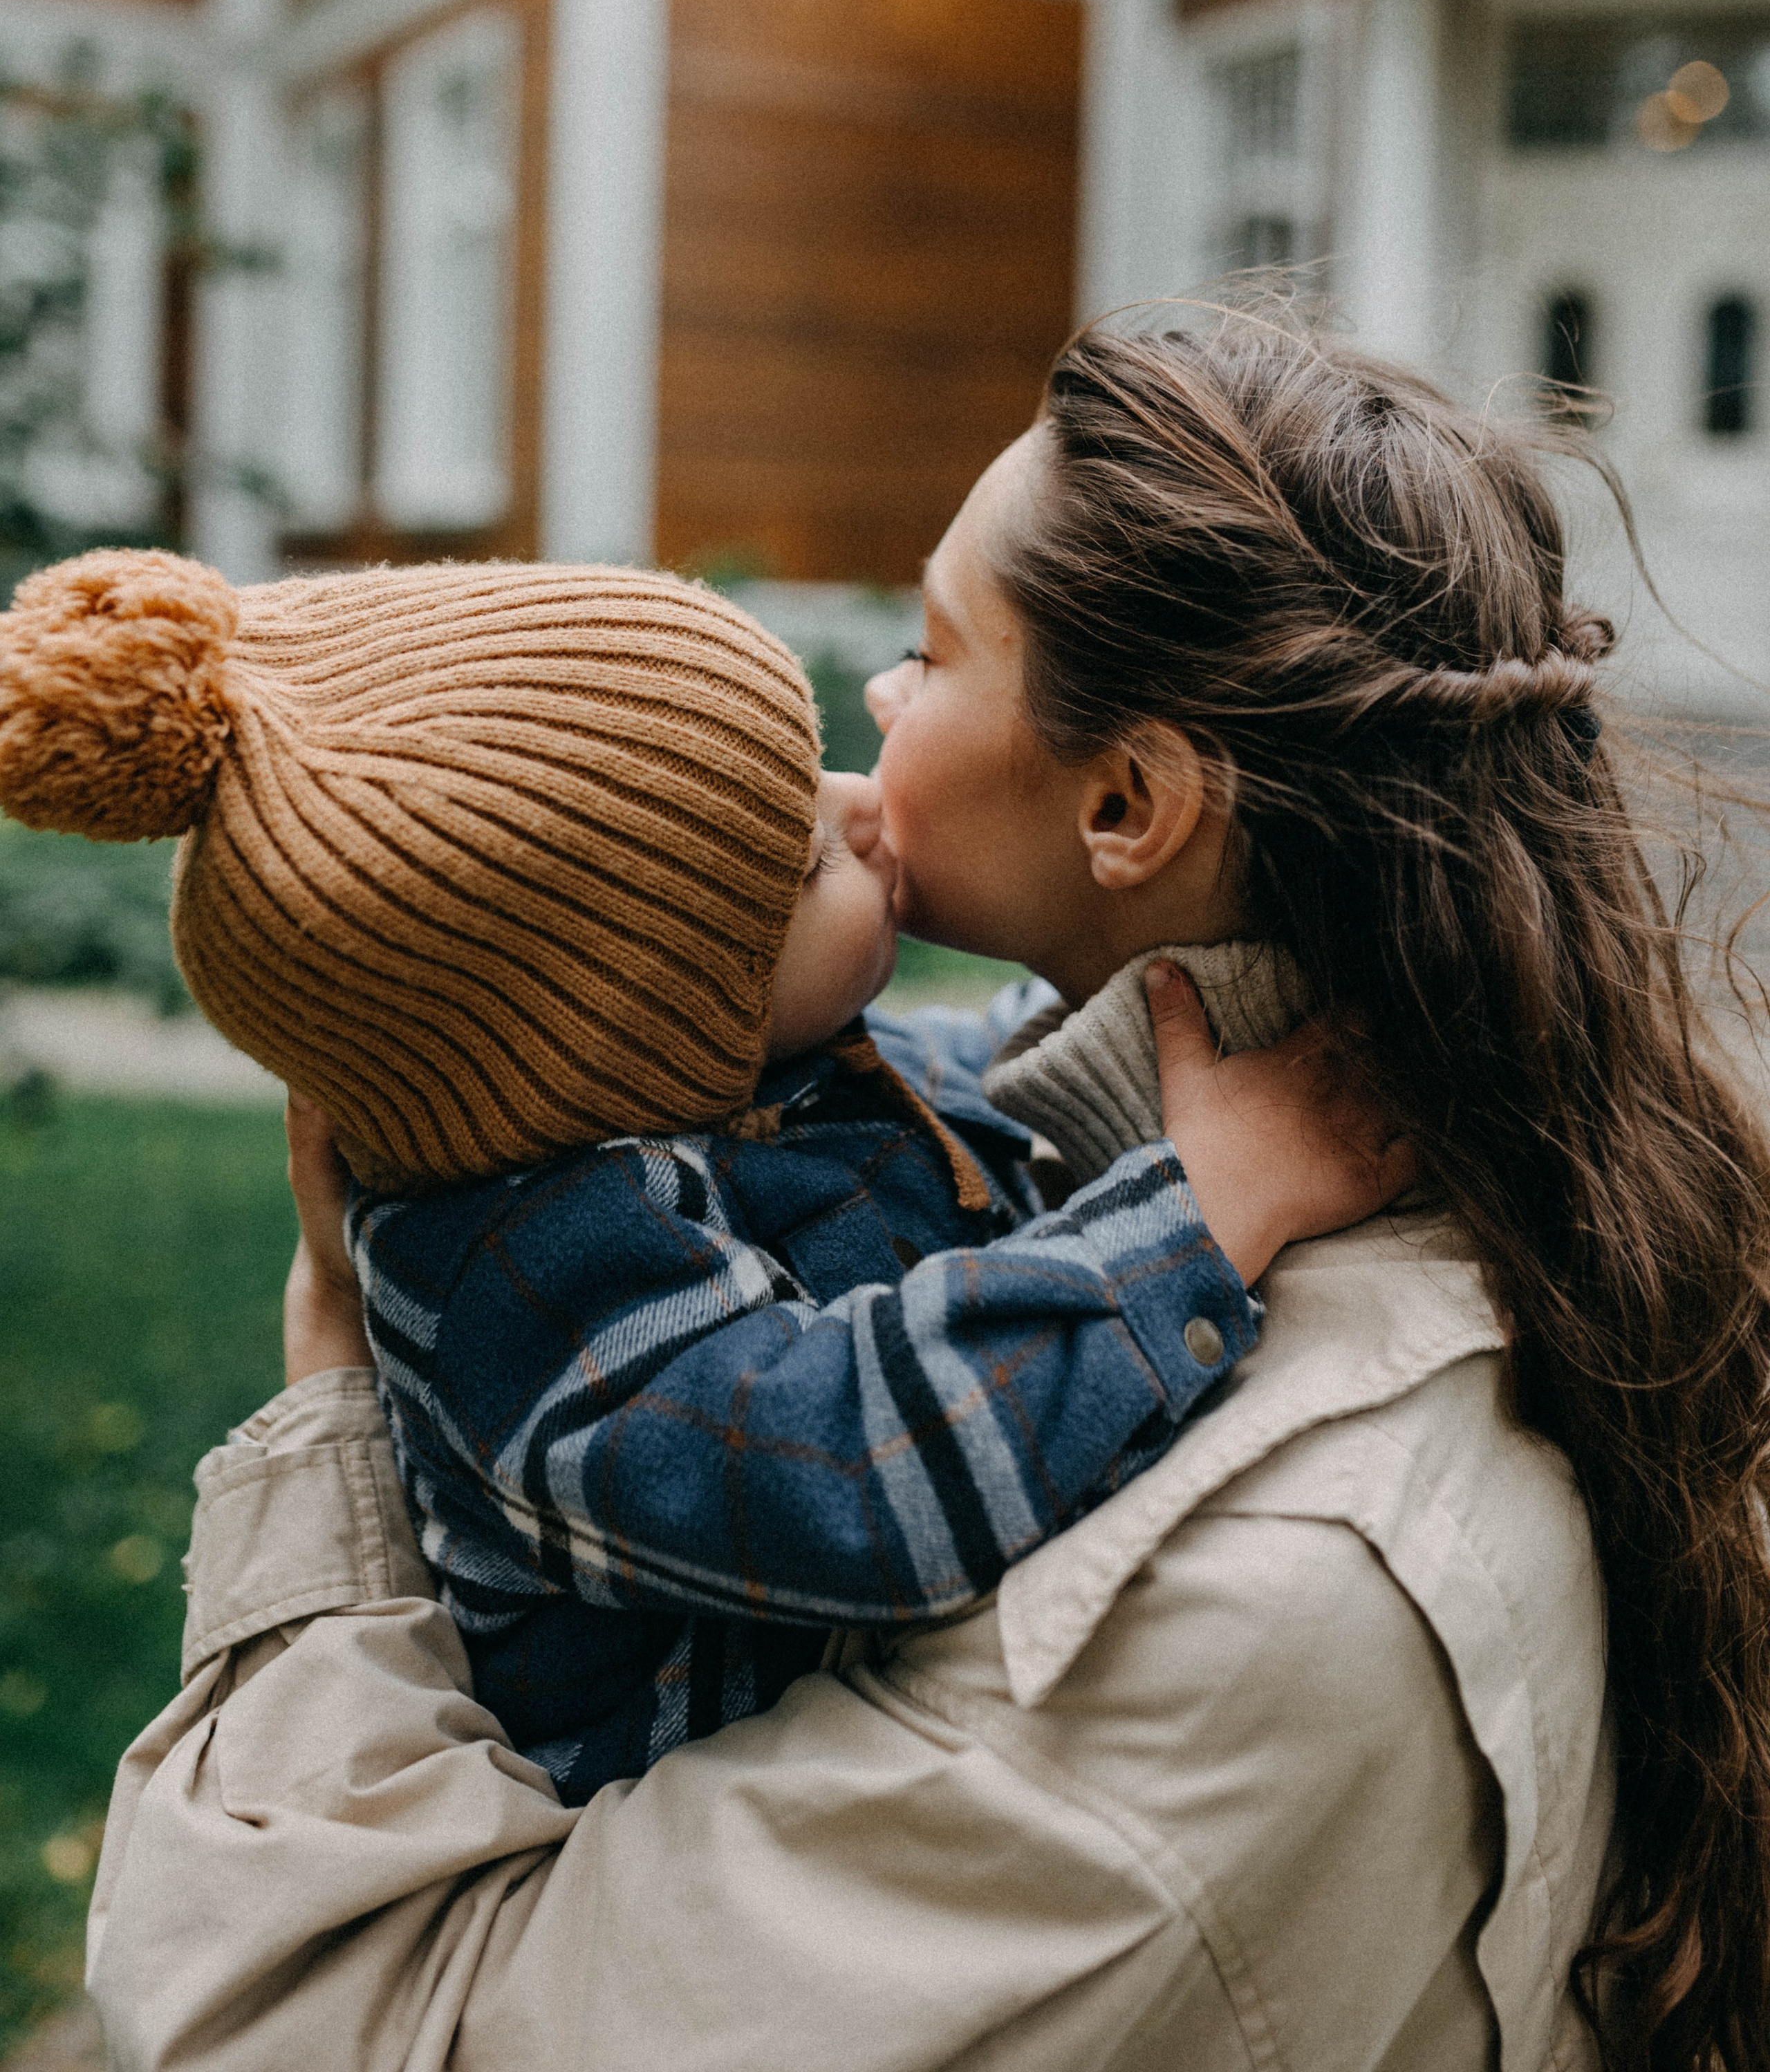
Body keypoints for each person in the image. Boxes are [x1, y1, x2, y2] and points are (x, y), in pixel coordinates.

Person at [84, 309, 1770, 2070]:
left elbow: (296, 2034)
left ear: (1125, 802)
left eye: (924, 649)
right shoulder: (1482, 1158)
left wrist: (336, 1396)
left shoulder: (1235, 1612)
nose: (873, 713)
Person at [0, 548, 1383, 1807]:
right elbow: (854, 1473)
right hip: (699, 1851)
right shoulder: (546, 1304)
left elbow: (947, 1087)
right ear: (620, 1024)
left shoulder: (724, 1091)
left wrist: (1187, 1019)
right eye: (794, 860)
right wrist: (1201, 1211)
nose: (859, 807)